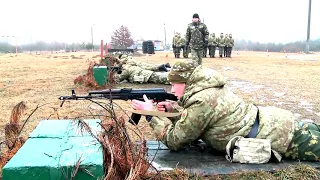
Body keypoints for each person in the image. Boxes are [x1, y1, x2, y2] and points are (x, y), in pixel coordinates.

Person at [131, 59, 320, 162]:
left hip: (280, 137)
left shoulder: (201, 101)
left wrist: (151, 114)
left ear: (187, 82)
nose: (172, 90)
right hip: (275, 123)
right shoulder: (207, 89)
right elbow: (202, 119)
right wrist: (173, 109)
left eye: (174, 84)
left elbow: (174, 140)